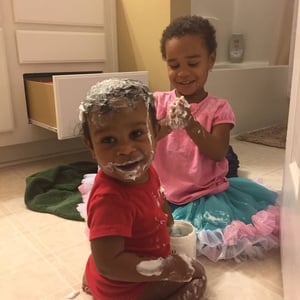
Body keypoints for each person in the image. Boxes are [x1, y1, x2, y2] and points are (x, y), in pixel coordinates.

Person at [153, 15, 280, 262]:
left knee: (212, 237)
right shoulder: (158, 102)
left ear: (210, 60)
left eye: (192, 63)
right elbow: (146, 141)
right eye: (174, 64)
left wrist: (190, 124)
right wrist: (168, 123)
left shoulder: (219, 108)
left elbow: (218, 151)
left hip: (204, 194)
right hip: (164, 193)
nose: (183, 73)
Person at [78, 78, 207, 299]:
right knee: (198, 274)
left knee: (104, 254)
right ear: (90, 146)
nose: (126, 149)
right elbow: (108, 263)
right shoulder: (110, 200)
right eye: (109, 140)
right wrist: (167, 267)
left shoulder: (143, 170)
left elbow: (156, 194)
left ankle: (91, 283)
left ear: (155, 133)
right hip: (127, 288)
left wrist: (166, 215)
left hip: (111, 274)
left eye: (136, 134)